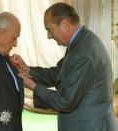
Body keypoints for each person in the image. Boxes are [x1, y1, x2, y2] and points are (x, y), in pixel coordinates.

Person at [12, 2, 117, 131]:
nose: (49, 36)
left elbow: (66, 101)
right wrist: (26, 68)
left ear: (65, 24)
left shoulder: (82, 53)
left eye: (50, 29)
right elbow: (57, 74)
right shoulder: (82, 41)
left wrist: (34, 86)